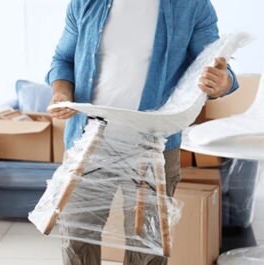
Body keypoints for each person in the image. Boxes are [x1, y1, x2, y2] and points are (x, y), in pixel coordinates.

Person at [47, 0, 238, 265]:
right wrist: (62, 92)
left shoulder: (192, 5)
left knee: (147, 248)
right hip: (89, 142)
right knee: (77, 239)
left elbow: (216, 64)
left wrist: (223, 82)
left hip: (153, 148)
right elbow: (63, 59)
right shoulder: (84, 3)